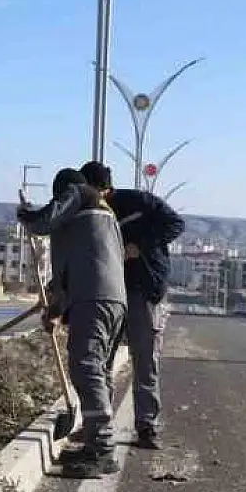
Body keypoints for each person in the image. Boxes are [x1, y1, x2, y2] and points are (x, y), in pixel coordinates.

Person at [18, 168, 128, 478]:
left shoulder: (80, 194)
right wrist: (55, 309)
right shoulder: (102, 218)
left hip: (93, 299)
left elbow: (44, 220)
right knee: (99, 370)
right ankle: (98, 441)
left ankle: (102, 450)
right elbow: (74, 267)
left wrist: (26, 214)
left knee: (86, 368)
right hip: (113, 301)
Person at [79, 160, 185, 450]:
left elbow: (176, 224)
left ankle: (147, 426)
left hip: (143, 290)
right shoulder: (89, 213)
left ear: (102, 188)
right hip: (110, 292)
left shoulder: (138, 202)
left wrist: (141, 245)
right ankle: (99, 424)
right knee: (101, 360)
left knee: (145, 358)